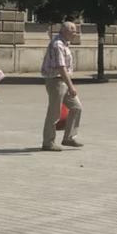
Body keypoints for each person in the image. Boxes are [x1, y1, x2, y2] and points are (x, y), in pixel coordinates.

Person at [42, 22, 83, 150]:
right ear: (65, 31)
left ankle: (69, 137)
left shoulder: (65, 43)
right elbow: (61, 67)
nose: (75, 34)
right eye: (73, 31)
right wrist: (71, 86)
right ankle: (48, 142)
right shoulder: (57, 44)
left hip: (63, 81)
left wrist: (69, 84)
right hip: (56, 81)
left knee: (76, 107)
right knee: (54, 113)